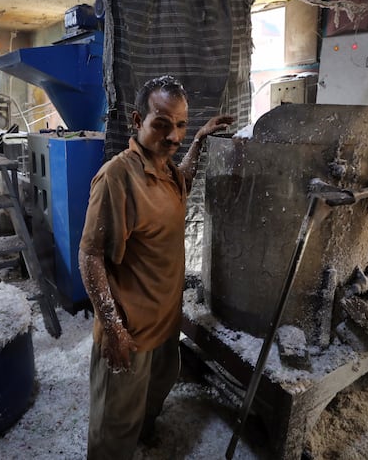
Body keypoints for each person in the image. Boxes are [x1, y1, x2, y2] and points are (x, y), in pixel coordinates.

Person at [78, 75, 234, 459]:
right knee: (115, 425)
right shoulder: (117, 178)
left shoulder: (165, 171)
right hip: (130, 332)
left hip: (165, 323)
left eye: (181, 125)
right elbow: (90, 255)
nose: (173, 136)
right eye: (162, 124)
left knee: (155, 393)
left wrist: (198, 141)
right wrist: (113, 328)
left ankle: (143, 436)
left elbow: (185, 179)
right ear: (137, 121)